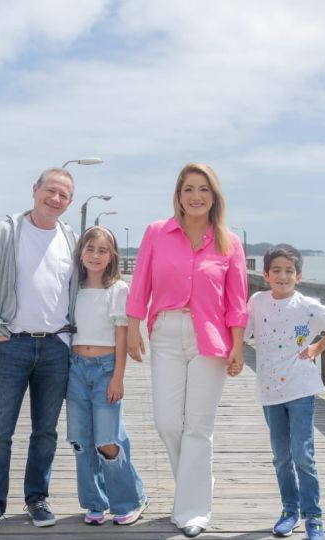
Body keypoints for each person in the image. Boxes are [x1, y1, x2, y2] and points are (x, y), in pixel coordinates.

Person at [126, 162, 248, 538]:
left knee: (198, 426)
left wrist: (239, 346)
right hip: (165, 332)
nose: (196, 197)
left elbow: (237, 300)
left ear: (215, 196)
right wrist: (132, 328)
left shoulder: (229, 242)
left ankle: (193, 510)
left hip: (210, 339)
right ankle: (190, 491)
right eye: (188, 189)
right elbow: (140, 283)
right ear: (178, 196)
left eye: (203, 189)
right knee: (166, 421)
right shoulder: (156, 233)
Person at [0, 167, 80, 538]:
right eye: (50, 191)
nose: (55, 199)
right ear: (35, 190)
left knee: (45, 432)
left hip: (55, 347)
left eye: (63, 195)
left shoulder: (71, 239)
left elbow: (79, 290)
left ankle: (37, 498)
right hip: (11, 344)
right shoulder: (7, 231)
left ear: (69, 202)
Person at [244, 244, 325, 539]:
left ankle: (314, 516)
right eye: (276, 270)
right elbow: (241, 330)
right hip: (269, 390)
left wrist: (319, 345)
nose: (282, 276)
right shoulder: (257, 301)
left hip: (301, 388)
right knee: (281, 455)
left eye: (289, 271)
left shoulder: (306, 305)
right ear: (265, 274)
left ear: (299, 276)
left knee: (302, 454)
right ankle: (289, 510)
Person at [66, 226, 149, 527]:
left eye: (102, 250)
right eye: (90, 249)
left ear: (112, 255)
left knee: (107, 440)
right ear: (81, 253)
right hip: (75, 369)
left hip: (104, 370)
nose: (95, 255)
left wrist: (118, 377)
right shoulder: (73, 288)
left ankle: (130, 499)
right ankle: (94, 502)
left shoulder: (118, 290)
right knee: (81, 440)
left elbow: (121, 335)